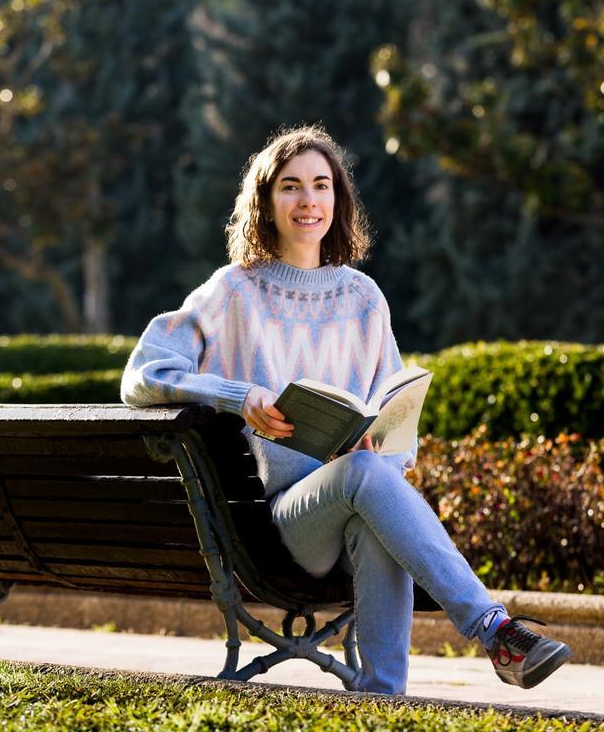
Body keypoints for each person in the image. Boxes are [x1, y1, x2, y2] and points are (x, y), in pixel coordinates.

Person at [120, 126, 571, 695]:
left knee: (369, 479)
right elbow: (143, 376)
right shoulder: (233, 292)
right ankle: (492, 629)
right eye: (290, 186)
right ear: (265, 201)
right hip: (286, 526)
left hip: (359, 499)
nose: (308, 201)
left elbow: (396, 426)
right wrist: (240, 396)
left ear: (338, 198)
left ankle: (384, 699)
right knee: (364, 478)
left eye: (321, 185)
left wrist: (379, 442)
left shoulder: (363, 298)